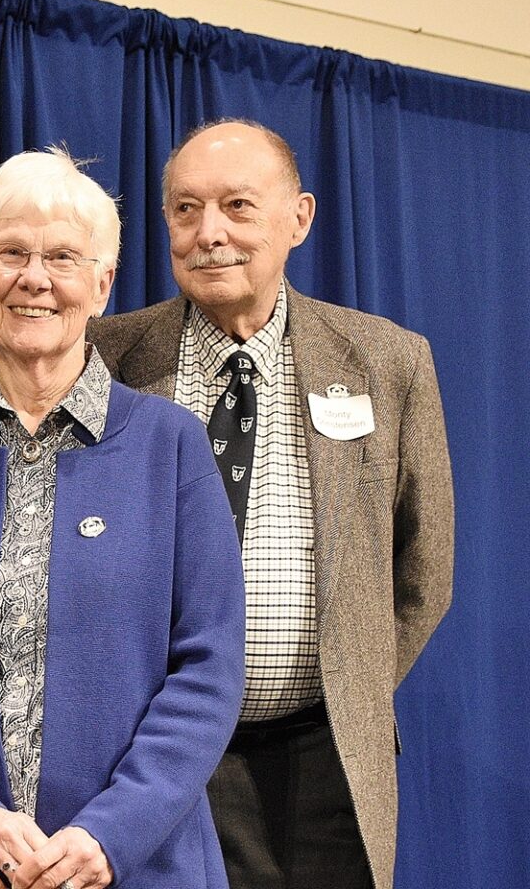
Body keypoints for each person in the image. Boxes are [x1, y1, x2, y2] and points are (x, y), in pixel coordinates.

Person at [89, 119, 453, 889]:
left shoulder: (387, 362)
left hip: (324, 764)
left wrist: (348, 686)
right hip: (149, 758)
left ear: (299, 217)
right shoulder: (106, 360)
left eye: (237, 206)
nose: (209, 233)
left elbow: (424, 572)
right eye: (186, 210)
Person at [0, 148, 245, 889]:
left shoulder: (172, 446)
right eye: (10, 252)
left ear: (102, 285)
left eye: (64, 258)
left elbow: (210, 665)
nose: (34, 278)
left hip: (140, 866)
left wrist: (110, 834)